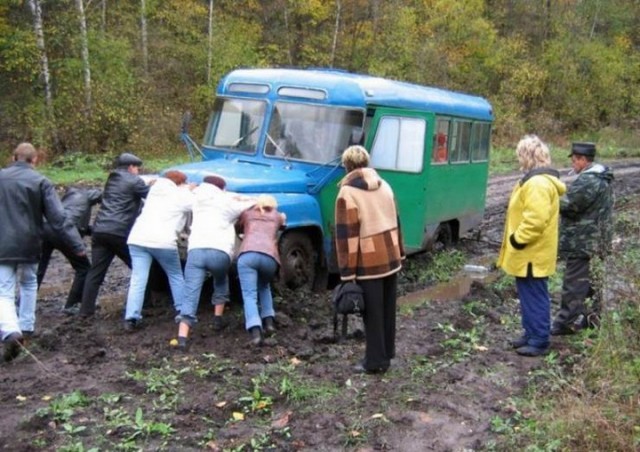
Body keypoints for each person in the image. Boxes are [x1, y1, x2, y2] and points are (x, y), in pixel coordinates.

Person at [0, 143, 85, 362]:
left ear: (13, 156)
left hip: (3, 243)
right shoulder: (41, 181)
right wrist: (77, 245)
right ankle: (27, 327)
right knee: (29, 283)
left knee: (4, 290)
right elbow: (58, 218)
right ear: (35, 160)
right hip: (30, 242)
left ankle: (11, 331)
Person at [334, 145, 405, 374]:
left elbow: (347, 236)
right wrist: (400, 252)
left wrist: (347, 274)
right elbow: (397, 219)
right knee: (387, 309)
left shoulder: (347, 193)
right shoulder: (385, 185)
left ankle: (375, 362)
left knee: (372, 313)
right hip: (391, 255)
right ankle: (387, 353)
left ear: (347, 165)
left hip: (368, 260)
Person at [496, 135, 566, 357]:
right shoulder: (535, 180)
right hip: (531, 253)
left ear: (527, 156)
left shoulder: (537, 184)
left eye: (520, 154)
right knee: (529, 294)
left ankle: (539, 339)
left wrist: (517, 239)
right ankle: (531, 333)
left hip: (531, 253)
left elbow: (535, 220)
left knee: (535, 295)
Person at [174, 176, 256, 348]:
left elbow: (180, 196)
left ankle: (182, 337)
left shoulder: (196, 197)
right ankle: (217, 319)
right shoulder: (225, 200)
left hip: (196, 250)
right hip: (220, 251)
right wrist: (244, 198)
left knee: (190, 291)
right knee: (221, 279)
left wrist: (188, 188)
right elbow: (251, 204)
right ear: (222, 188)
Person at [551, 142, 614, 335]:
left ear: (582, 160)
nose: (572, 164)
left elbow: (570, 205)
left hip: (583, 241)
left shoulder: (588, 180)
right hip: (597, 241)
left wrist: (549, 197)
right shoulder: (602, 177)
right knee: (592, 283)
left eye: (574, 160)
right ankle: (591, 320)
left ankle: (565, 322)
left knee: (574, 282)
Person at [79, 152, 150, 318]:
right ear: (132, 167)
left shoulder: (111, 180)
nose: (138, 171)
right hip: (119, 232)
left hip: (100, 231)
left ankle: (85, 311)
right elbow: (152, 195)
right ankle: (145, 303)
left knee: (95, 272)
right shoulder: (134, 181)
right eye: (137, 168)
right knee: (140, 266)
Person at [123, 171, 195, 330]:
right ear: (180, 183)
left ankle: (131, 317)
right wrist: (191, 189)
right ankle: (182, 311)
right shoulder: (181, 196)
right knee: (175, 275)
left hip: (137, 239)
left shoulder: (153, 191)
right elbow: (196, 202)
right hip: (163, 241)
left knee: (138, 279)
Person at [37, 186, 102, 315]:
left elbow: (76, 223)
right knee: (84, 268)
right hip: (63, 233)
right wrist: (78, 246)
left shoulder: (67, 199)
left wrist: (92, 231)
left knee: (39, 269)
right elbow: (68, 224)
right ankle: (72, 304)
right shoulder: (87, 195)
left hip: (45, 230)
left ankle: (21, 303)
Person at [236, 195, 286, 346]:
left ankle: (255, 331)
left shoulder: (247, 214)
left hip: (248, 254)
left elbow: (238, 227)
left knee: (249, 295)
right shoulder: (278, 216)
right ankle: (269, 323)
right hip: (270, 257)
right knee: (264, 287)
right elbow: (283, 226)